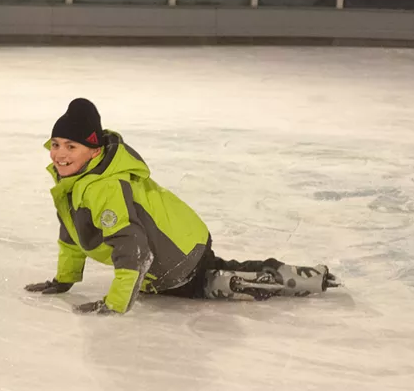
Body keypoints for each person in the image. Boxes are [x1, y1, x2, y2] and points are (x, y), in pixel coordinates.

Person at [24, 98, 340, 315]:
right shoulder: (75, 184)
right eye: (55, 144)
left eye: (71, 146)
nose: (59, 154)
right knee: (215, 269)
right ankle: (299, 275)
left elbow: (134, 249)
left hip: (174, 261)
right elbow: (73, 235)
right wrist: (65, 279)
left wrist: (116, 303)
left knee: (205, 283)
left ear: (93, 151)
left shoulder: (103, 187)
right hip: (181, 243)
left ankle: (294, 280)